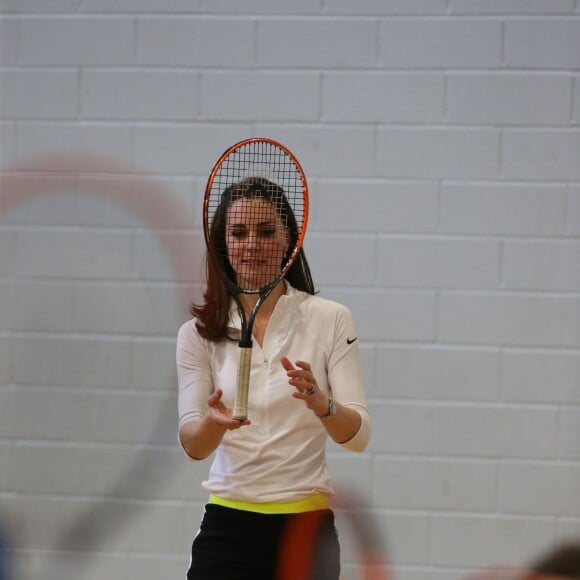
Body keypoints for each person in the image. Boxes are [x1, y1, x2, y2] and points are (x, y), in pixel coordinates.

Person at [176, 176, 371, 579]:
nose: (252, 245)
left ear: (288, 240)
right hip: (227, 527)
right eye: (238, 233)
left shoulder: (331, 318)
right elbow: (192, 445)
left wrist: (323, 404)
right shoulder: (196, 333)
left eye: (266, 232)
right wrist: (215, 424)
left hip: (305, 530)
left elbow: (359, 436)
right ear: (222, 245)